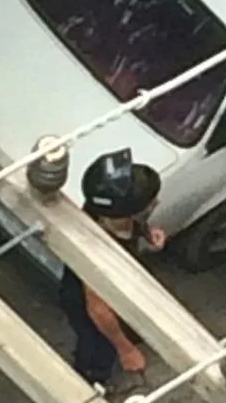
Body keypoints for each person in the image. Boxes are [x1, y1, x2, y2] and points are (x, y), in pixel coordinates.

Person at [61, 148, 167, 387]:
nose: (156, 203)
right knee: (98, 348)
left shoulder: (110, 214)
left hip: (121, 287)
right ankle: (90, 380)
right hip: (86, 307)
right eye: (148, 203)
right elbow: (99, 311)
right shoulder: (96, 252)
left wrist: (148, 234)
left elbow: (135, 222)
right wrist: (126, 350)